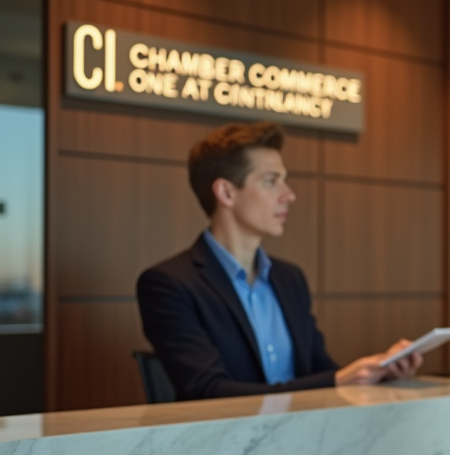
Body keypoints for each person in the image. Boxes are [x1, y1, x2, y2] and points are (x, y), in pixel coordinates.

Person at [137, 121, 422, 400]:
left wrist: (377, 372)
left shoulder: (289, 278)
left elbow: (321, 371)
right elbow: (209, 391)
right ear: (226, 192)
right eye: (271, 181)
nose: (289, 195)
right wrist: (338, 380)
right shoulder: (169, 284)